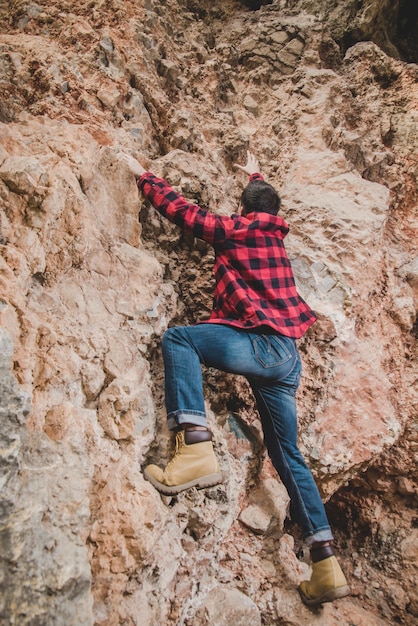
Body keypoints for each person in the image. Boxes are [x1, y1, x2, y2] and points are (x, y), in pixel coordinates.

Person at [119, 150, 350, 607]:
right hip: (287, 358)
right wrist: (256, 173)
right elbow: (263, 202)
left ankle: (196, 448)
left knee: (180, 340)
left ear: (245, 211)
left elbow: (186, 214)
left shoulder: (238, 229)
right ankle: (325, 564)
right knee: (289, 455)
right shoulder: (276, 239)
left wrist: (146, 177)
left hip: (259, 345)